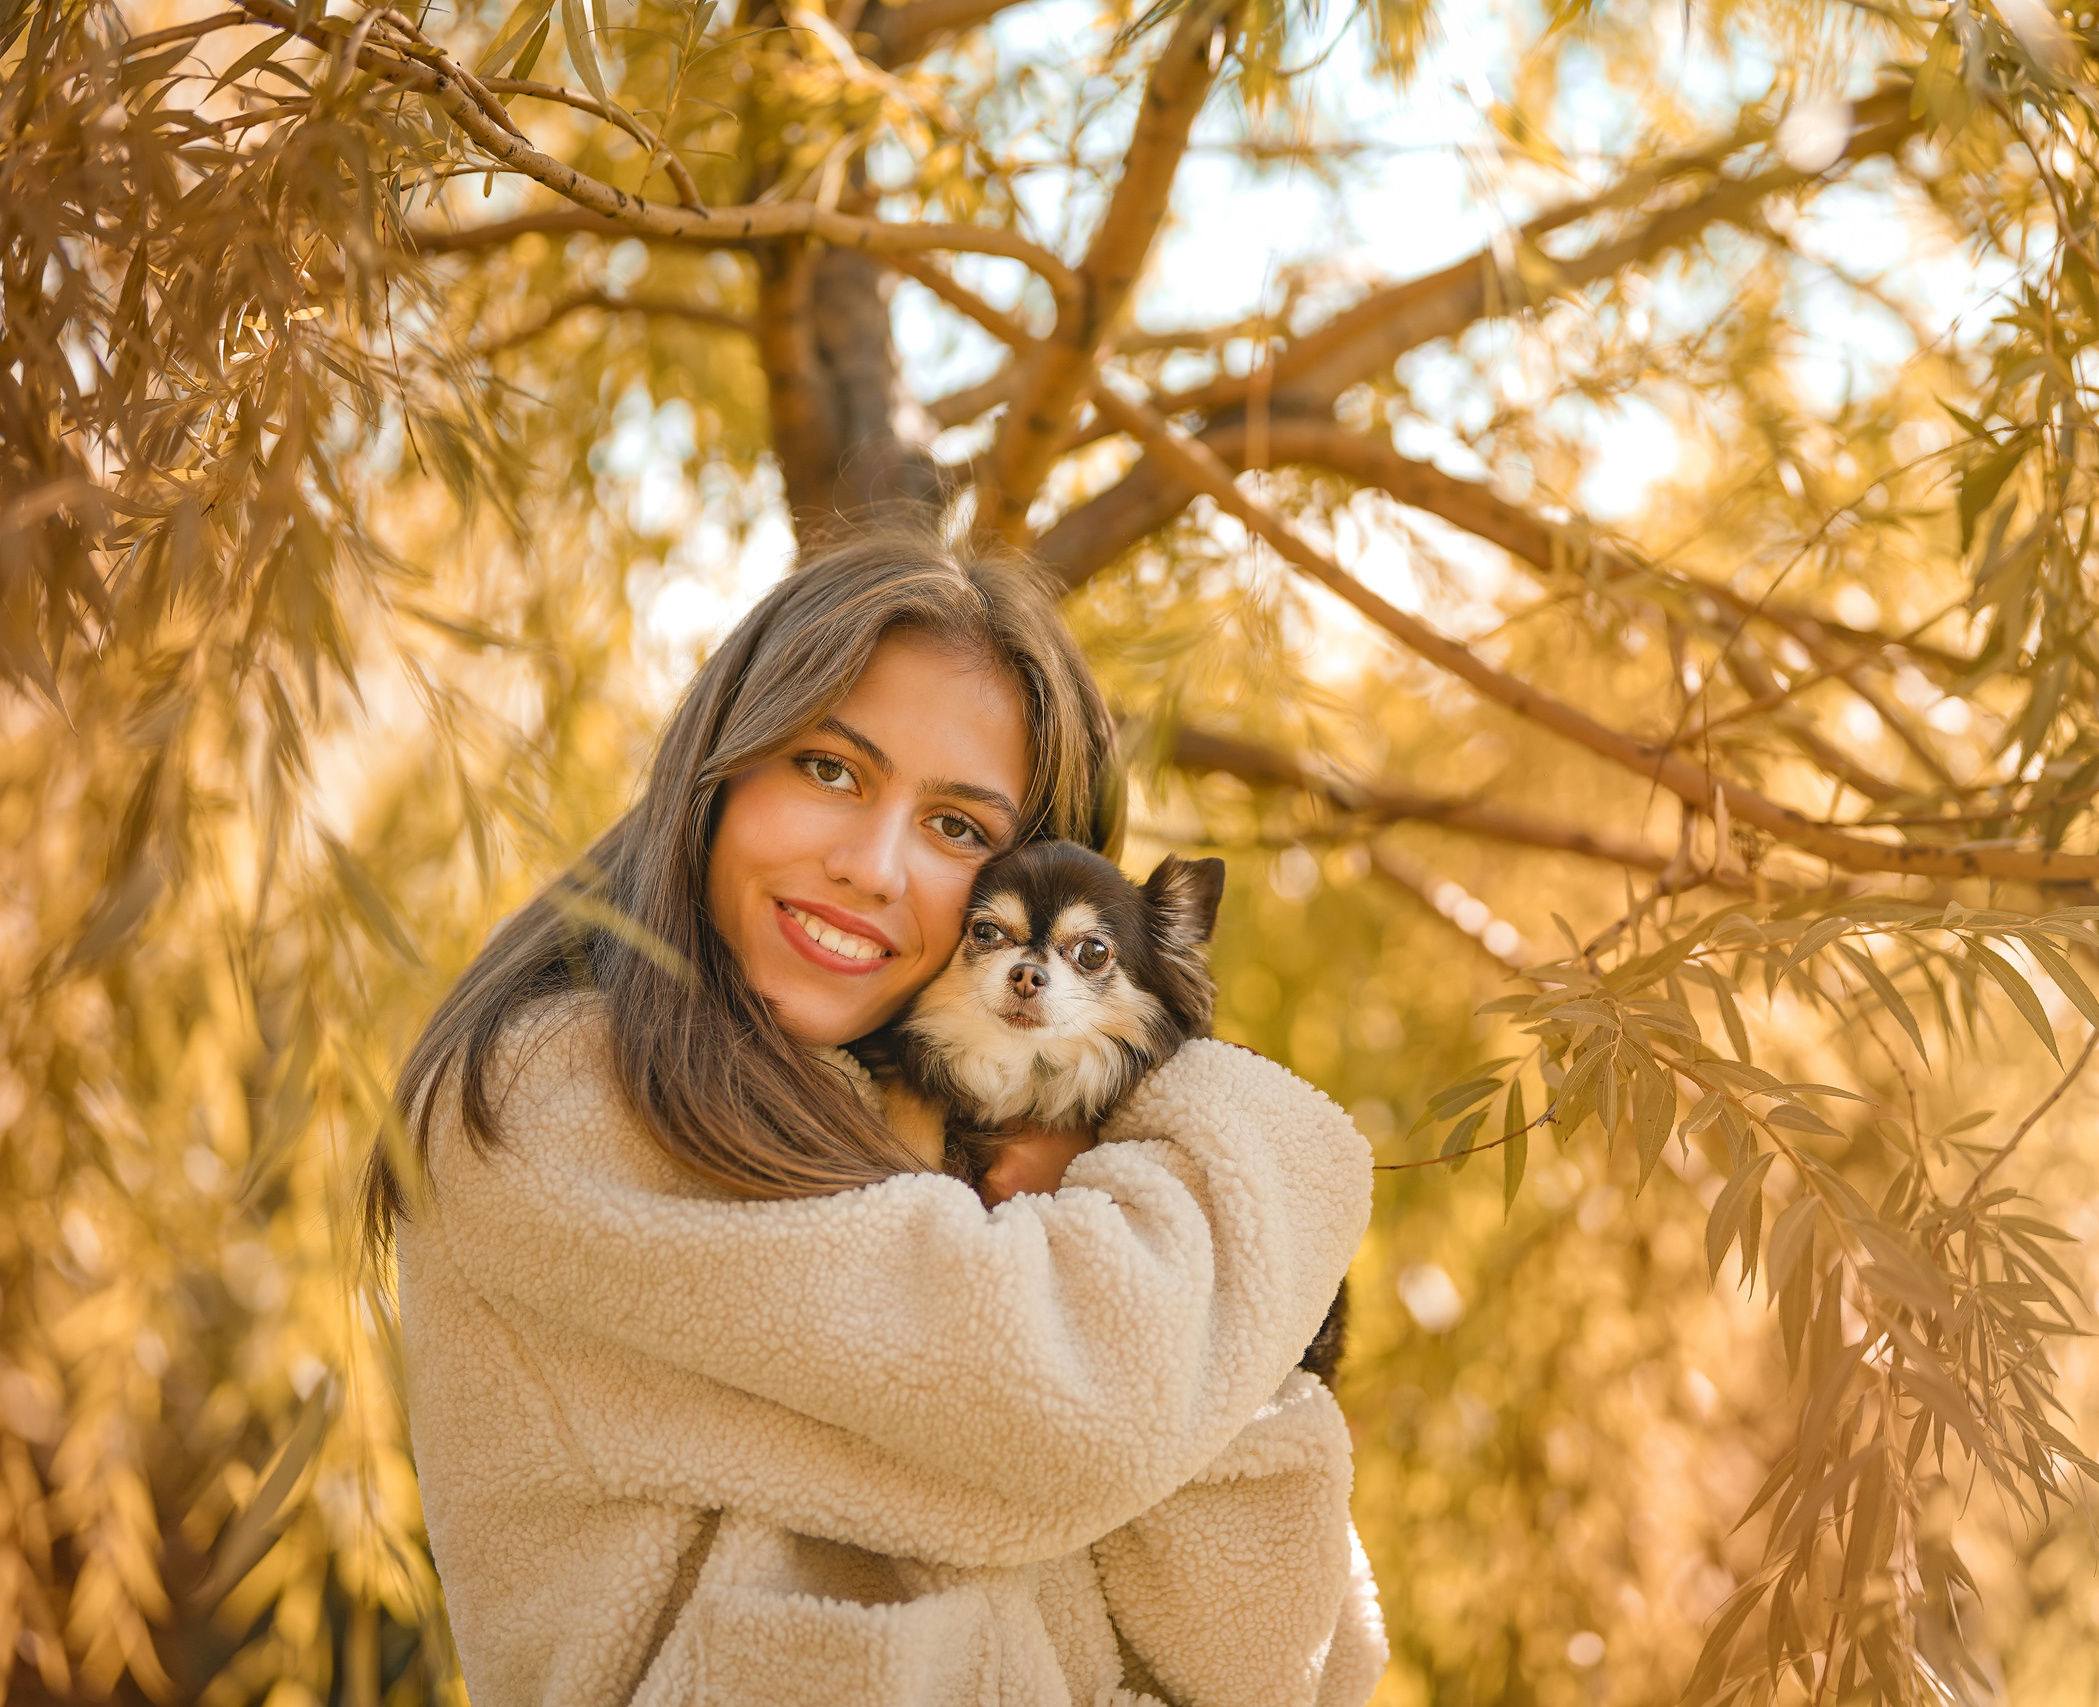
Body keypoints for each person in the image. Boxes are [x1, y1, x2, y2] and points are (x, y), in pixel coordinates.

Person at [366, 526, 1385, 1707]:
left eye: (958, 829)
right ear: (717, 769)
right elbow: (1077, 1408)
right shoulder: (555, 1096)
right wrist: (1244, 1131)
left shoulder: (945, 1149)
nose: (873, 865)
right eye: (828, 769)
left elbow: (1282, 1649)